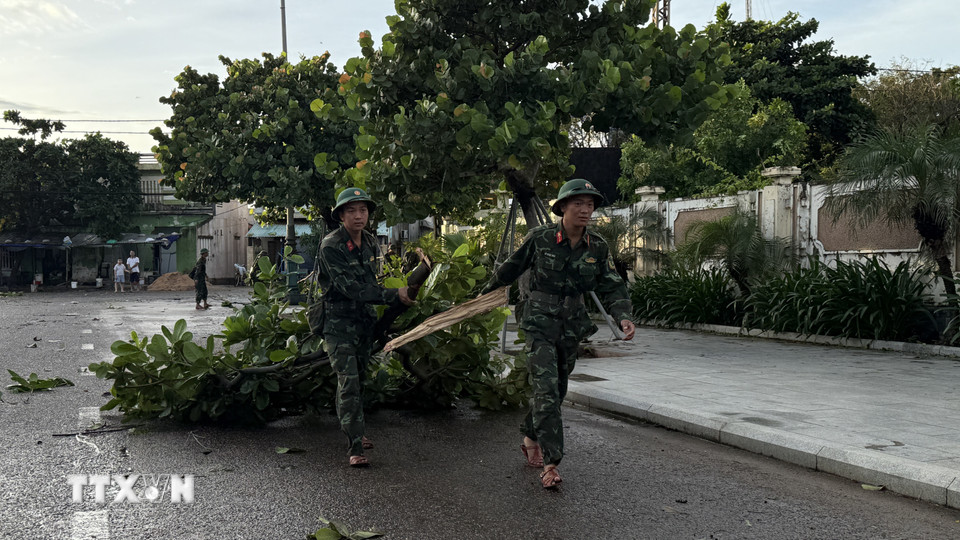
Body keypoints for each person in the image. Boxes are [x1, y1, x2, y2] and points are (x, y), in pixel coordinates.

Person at [480, 178, 636, 489]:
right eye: (578, 203)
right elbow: (510, 268)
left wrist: (623, 316)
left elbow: (610, 283)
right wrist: (482, 297)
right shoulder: (541, 238)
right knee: (547, 390)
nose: (585, 209)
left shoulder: (598, 246)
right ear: (562, 207)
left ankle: (529, 435)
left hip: (571, 325)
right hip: (538, 322)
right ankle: (551, 463)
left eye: (590, 204)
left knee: (557, 390)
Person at [317, 187, 415, 467]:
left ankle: (355, 429)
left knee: (359, 379)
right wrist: (394, 295)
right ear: (341, 216)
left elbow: (373, 282)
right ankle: (355, 445)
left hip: (363, 322)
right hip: (338, 324)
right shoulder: (331, 246)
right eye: (352, 211)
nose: (359, 216)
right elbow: (351, 288)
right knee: (348, 381)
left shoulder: (371, 242)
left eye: (363, 210)